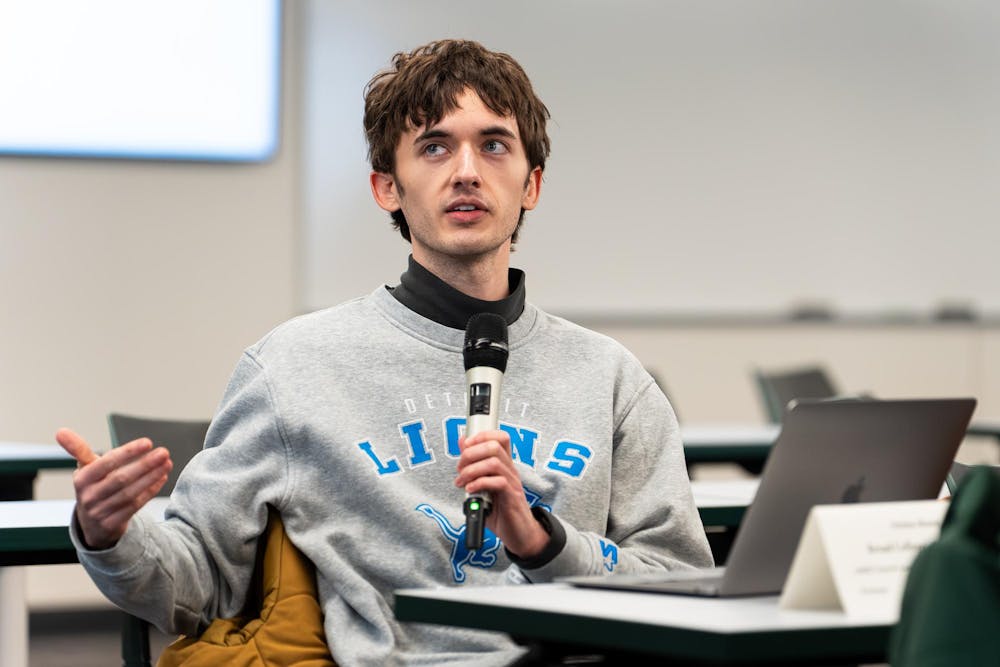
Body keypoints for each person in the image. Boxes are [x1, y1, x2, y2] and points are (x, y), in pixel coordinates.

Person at [56, 39, 712, 666]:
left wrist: (546, 544)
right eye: (434, 147)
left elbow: (684, 582)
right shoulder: (294, 366)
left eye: (493, 145)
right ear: (386, 188)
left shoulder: (612, 378)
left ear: (531, 184)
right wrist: (109, 533)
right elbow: (194, 581)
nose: (465, 171)